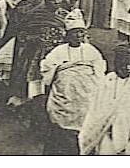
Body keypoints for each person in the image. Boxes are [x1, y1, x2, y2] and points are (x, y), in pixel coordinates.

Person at [40, 9, 107, 155]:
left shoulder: (91, 50)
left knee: (88, 109)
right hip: (64, 92)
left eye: (81, 33)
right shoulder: (59, 51)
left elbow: (100, 70)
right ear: (67, 35)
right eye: (74, 33)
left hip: (86, 90)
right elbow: (47, 68)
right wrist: (63, 69)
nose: (78, 36)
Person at [79, 44, 130, 155]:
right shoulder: (107, 80)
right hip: (106, 130)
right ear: (116, 64)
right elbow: (96, 108)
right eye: (124, 65)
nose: (128, 69)